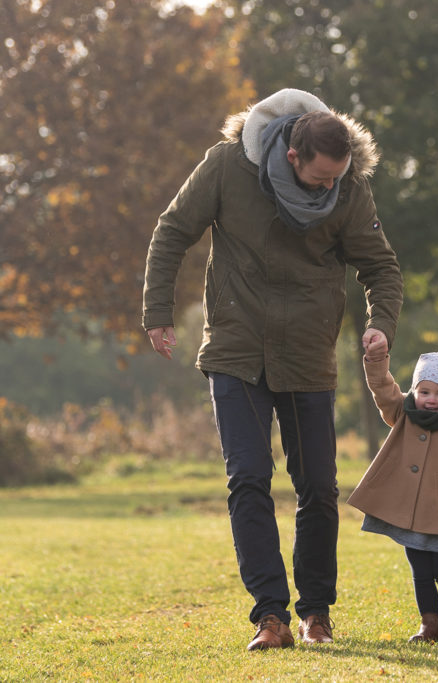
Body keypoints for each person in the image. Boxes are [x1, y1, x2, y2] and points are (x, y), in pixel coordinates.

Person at [141, 88, 403, 651]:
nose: (330, 187)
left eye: (339, 177)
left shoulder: (349, 187)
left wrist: (381, 321)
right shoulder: (228, 166)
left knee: (317, 487)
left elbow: (380, 266)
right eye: (321, 178)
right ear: (291, 155)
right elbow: (172, 232)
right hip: (236, 350)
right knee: (249, 478)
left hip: (308, 354)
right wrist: (157, 312)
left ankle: (315, 614)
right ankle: (270, 617)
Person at [347, 349, 438, 645]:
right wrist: (376, 362)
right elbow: (383, 390)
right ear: (414, 390)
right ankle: (428, 623)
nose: (430, 399)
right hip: (408, 514)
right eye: (424, 391)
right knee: (421, 573)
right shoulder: (402, 411)